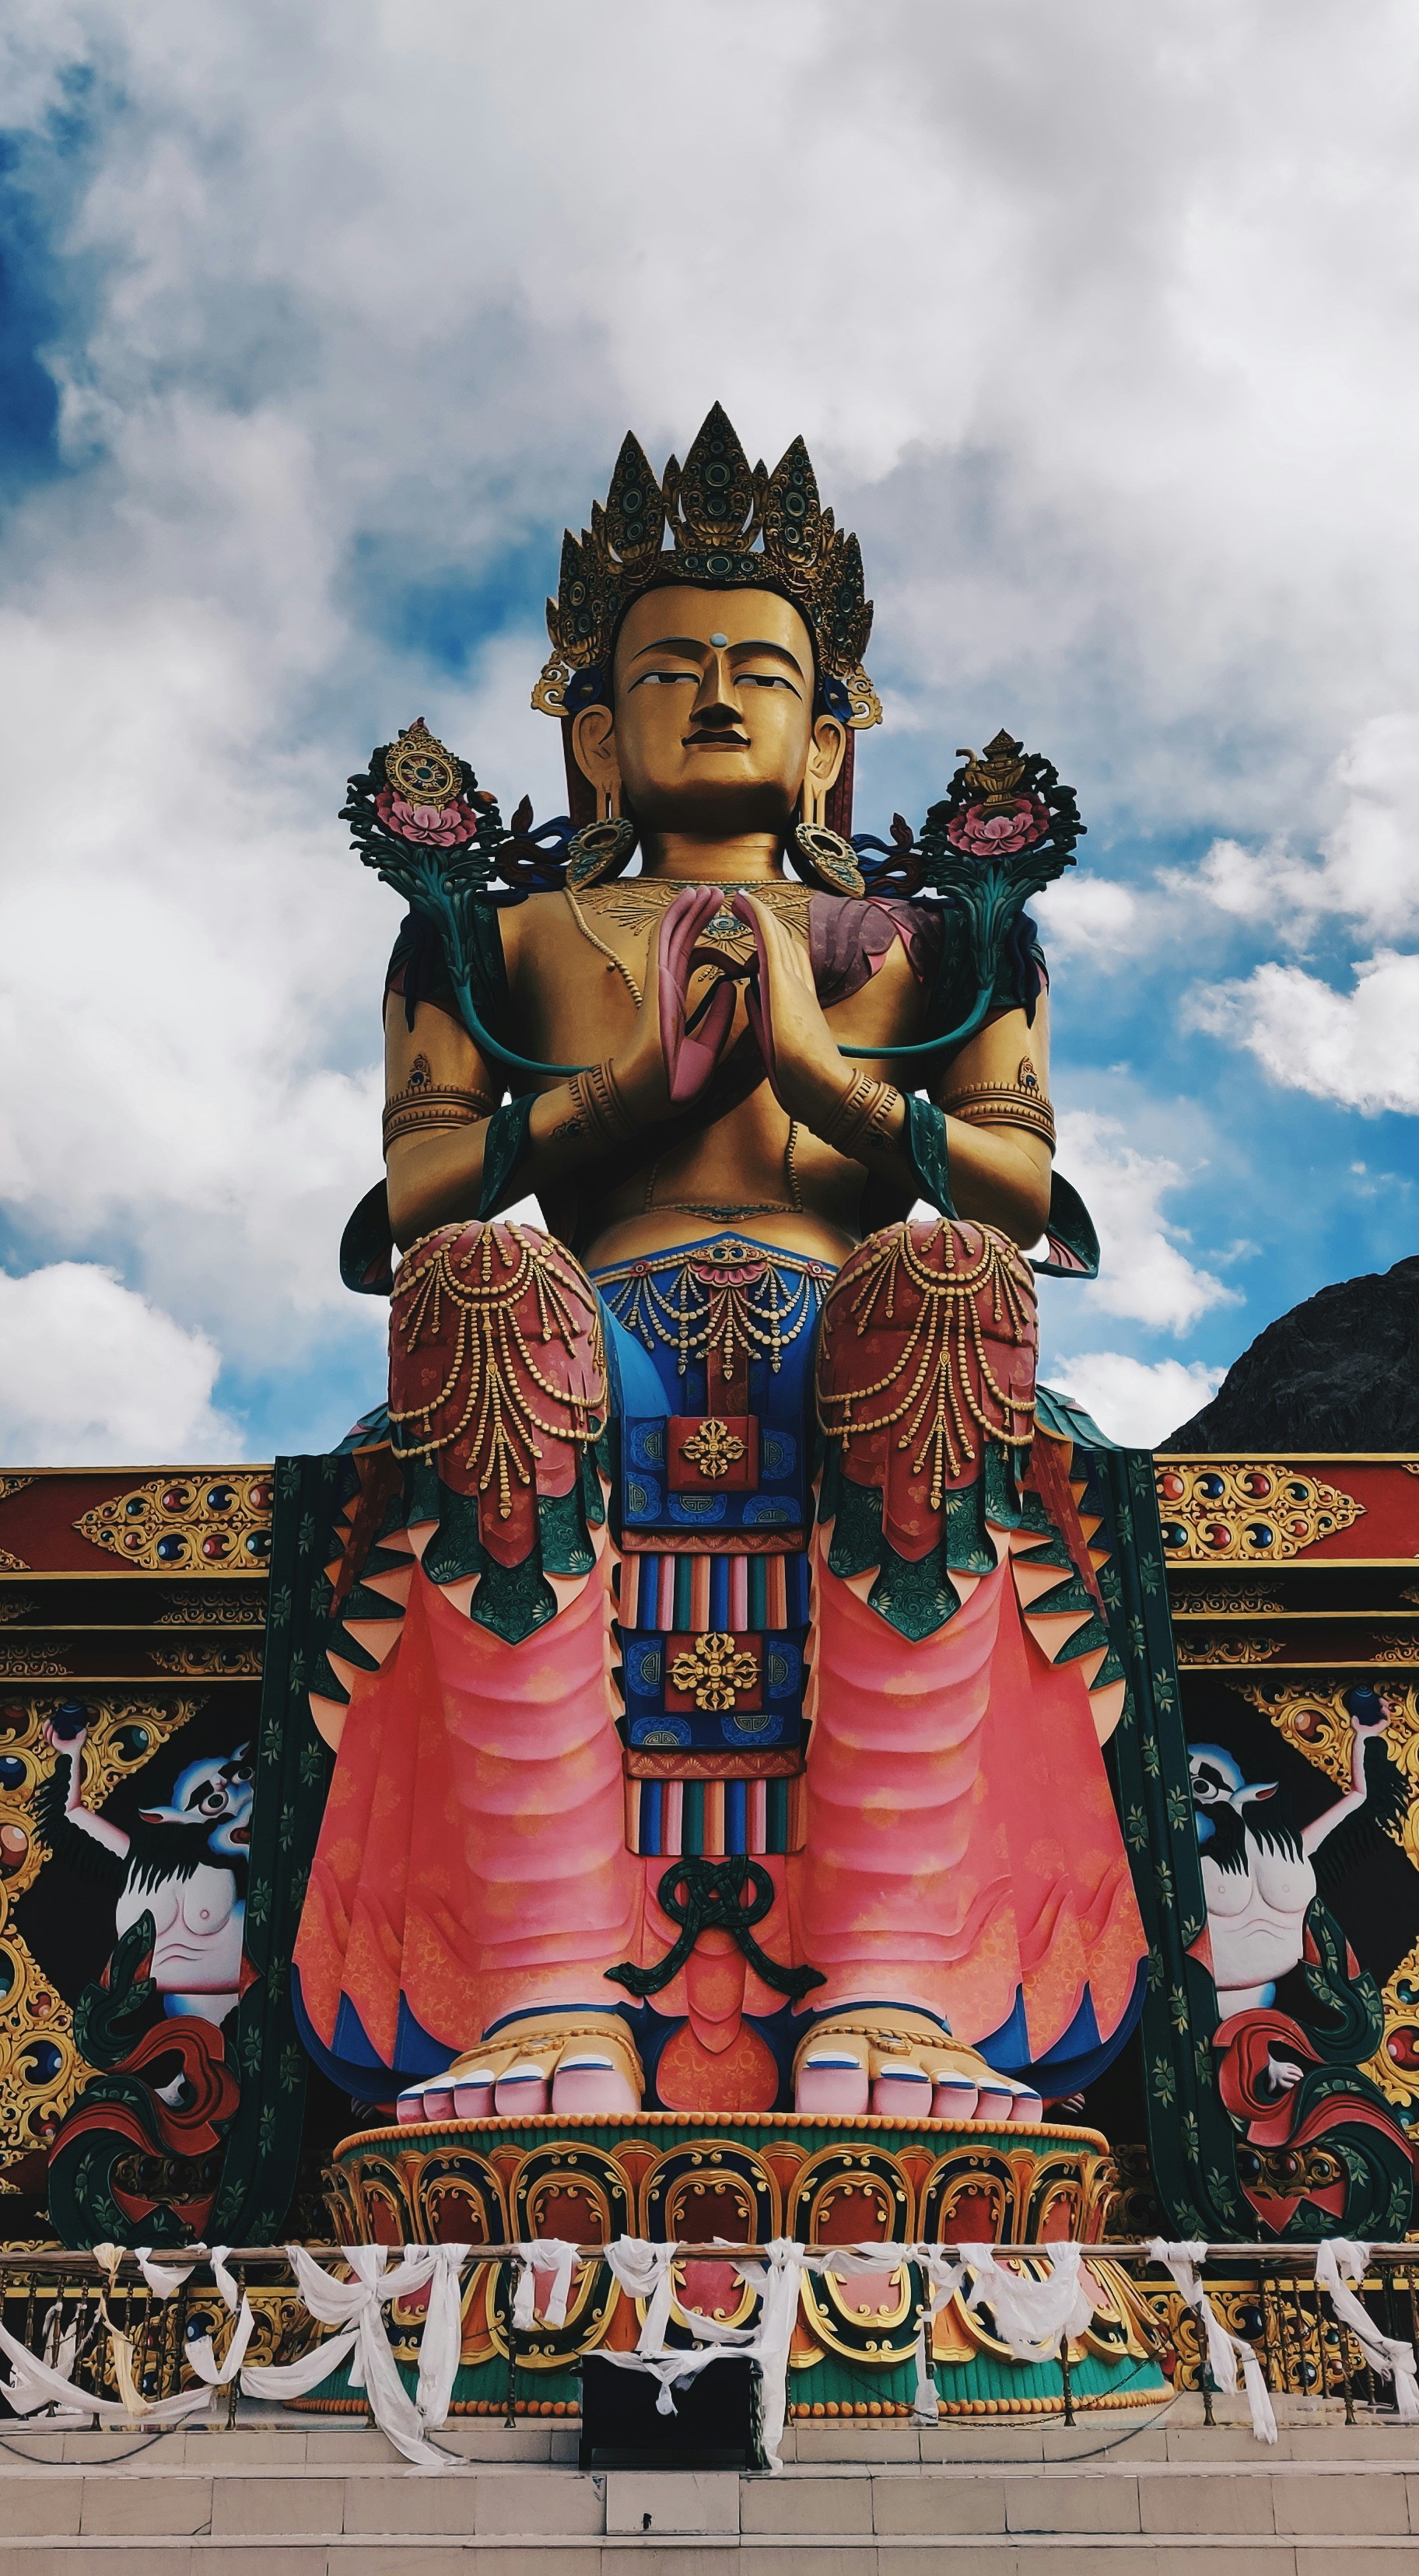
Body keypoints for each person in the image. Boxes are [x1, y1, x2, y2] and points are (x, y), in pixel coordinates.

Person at [293, 408, 1146, 2124]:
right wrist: (623, 1097)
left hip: (861, 1325)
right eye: (670, 668)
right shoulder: (503, 935)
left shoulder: (936, 946)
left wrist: (830, 1082)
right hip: (584, 1330)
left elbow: (1019, 1191)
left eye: (764, 670)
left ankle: (892, 1980)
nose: (719, 694)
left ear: (831, 739)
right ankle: (543, 1989)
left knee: (954, 1290)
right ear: (596, 739)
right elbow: (410, 1205)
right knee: (477, 1286)